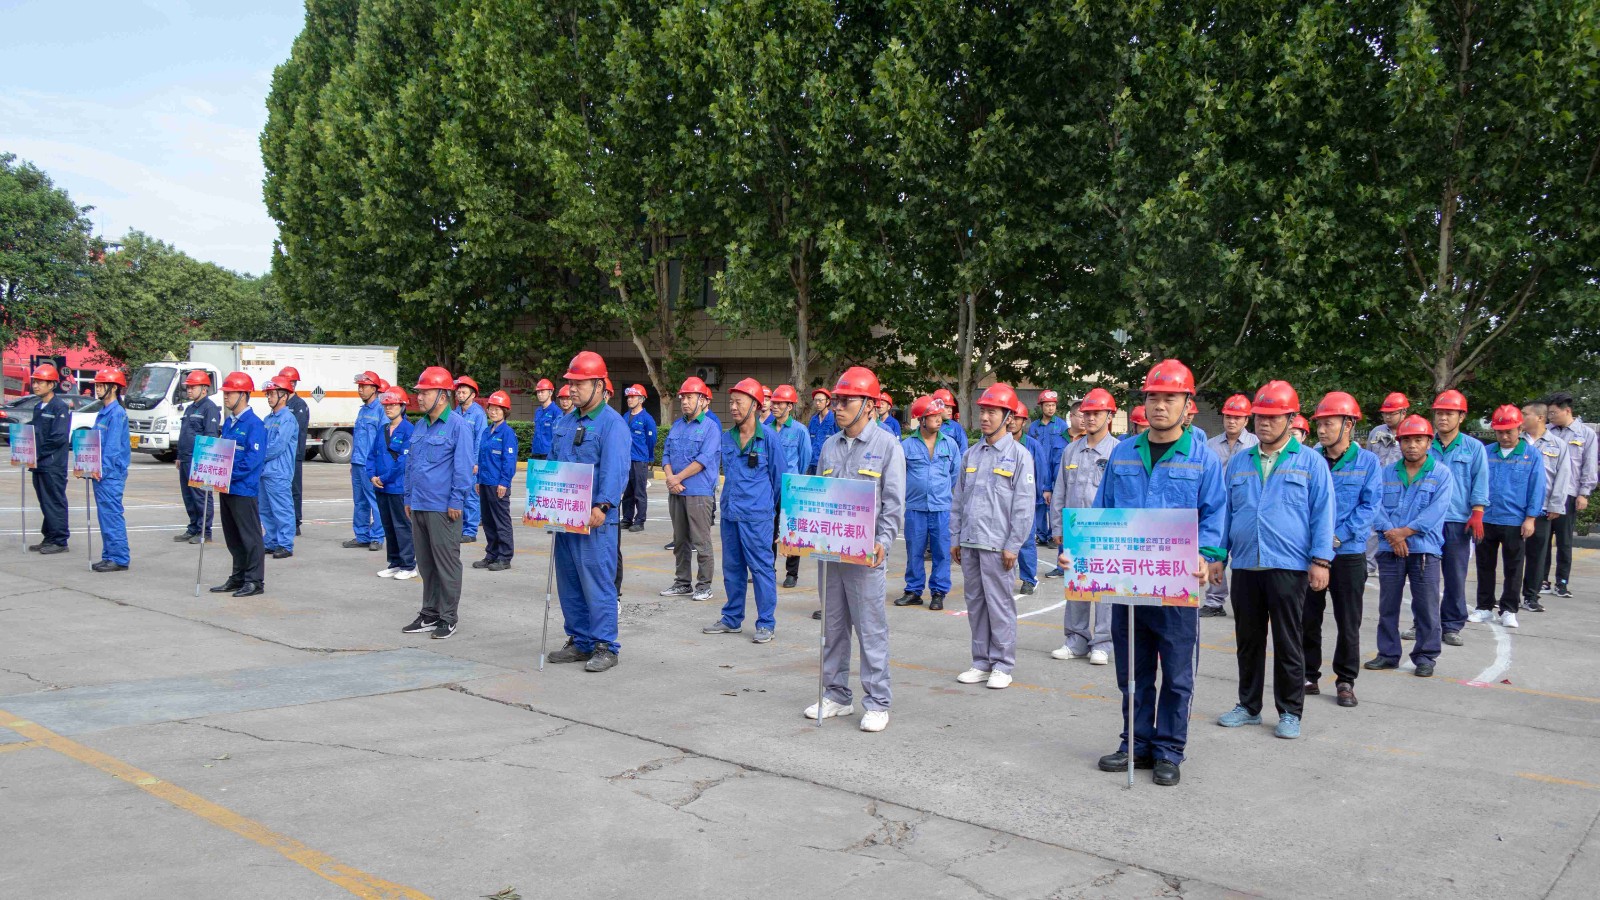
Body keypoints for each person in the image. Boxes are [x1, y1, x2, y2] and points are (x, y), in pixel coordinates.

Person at [1093, 360, 1225, 787]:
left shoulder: (1203, 459)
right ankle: (1135, 743)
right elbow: (1103, 511)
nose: (1160, 405)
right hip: (1130, 581)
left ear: (1188, 405)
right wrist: (1079, 553)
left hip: (1176, 584)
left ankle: (1169, 749)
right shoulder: (1123, 453)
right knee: (1133, 671)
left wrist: (1205, 554)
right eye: (1153, 397)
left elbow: (1215, 516)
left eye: (1170, 398)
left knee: (1177, 673)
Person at [1215, 381, 1334, 741]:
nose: (1264, 423)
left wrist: (1321, 560)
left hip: (1289, 566)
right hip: (1246, 565)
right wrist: (1218, 555)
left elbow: (1323, 514)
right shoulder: (1239, 462)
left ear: (1291, 418)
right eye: (1260, 417)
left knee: (1288, 642)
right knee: (1248, 641)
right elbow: (1225, 512)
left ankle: (1290, 711)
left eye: (1273, 417)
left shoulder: (1310, 462)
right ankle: (1248, 706)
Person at [806, 366, 906, 732]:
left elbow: (894, 503)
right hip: (831, 553)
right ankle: (836, 694)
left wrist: (884, 542)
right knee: (833, 626)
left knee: (870, 629)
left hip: (866, 556)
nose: (837, 407)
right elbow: (818, 495)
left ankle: (878, 702)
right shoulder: (830, 446)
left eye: (846, 401)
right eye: (836, 401)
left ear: (869, 405)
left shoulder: (888, 446)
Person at [543, 351, 629, 671]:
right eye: (571, 383)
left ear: (599, 385)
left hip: (596, 519)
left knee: (597, 582)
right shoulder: (565, 421)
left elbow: (616, 469)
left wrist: (603, 504)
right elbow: (553, 464)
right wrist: (545, 501)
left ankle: (605, 645)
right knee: (569, 582)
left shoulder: (612, 424)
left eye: (579, 383)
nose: (572, 389)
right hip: (566, 515)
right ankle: (580, 641)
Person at [950, 384, 1035, 690]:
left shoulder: (1020, 456)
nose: (985, 417)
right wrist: (955, 537)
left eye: (992, 412)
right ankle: (981, 662)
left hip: (998, 546)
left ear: (1008, 417)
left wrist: (1013, 545)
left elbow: (1024, 506)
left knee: (1000, 606)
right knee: (976, 604)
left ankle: (1002, 664)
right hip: (971, 541)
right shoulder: (971, 454)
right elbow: (958, 499)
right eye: (982, 411)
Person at [1303, 392, 1381, 708]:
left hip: (1348, 553)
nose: (1322, 430)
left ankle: (1345, 680)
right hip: (1311, 554)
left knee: (1349, 621)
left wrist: (1335, 538)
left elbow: (1370, 506)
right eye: (1319, 424)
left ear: (1348, 424)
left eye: (1329, 423)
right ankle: (1308, 674)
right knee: (1308, 617)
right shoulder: (1309, 458)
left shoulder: (1368, 462)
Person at [1365, 415, 1455, 677]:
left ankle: (1426, 656)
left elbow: (1436, 511)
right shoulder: (1386, 473)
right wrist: (1392, 535)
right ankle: (1387, 654)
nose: (1412, 445)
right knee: (1387, 606)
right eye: (1406, 440)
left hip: (1424, 550)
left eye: (1418, 440)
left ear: (1429, 442)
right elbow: (1375, 506)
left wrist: (1403, 533)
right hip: (1389, 549)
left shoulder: (1441, 474)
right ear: (1399, 442)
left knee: (1426, 607)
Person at [704, 378, 787, 644]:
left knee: (762, 569)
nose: (733, 407)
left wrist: (773, 514)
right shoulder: (727, 438)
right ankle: (732, 618)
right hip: (731, 514)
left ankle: (766, 623)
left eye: (739, 402)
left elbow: (779, 480)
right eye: (731, 402)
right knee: (732, 568)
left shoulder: (769, 439)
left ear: (755, 405)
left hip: (757, 518)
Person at [400, 367, 476, 640]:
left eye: (425, 392)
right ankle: (429, 613)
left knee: (446, 564)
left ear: (442, 396)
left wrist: (456, 499)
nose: (419, 397)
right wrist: (408, 497)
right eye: (419, 392)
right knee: (426, 564)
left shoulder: (458, 426)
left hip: (443, 508)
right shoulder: (420, 426)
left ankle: (448, 617)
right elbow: (411, 464)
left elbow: (464, 468)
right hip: (419, 504)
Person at [1049, 387, 1119, 663]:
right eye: (1086, 413)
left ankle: (1103, 642)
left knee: (1104, 588)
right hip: (1076, 529)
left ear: (1109, 416)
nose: (1089, 418)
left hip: (1106, 529)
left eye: (1096, 413)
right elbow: (1060, 490)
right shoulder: (1071, 451)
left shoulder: (1118, 451)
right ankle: (1076, 639)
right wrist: (1057, 527)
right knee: (1077, 586)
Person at [1467, 405, 1546, 629]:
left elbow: (1537, 487)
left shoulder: (1532, 455)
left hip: (1514, 519)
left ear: (1519, 429)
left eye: (1509, 431)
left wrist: (1530, 518)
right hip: (1486, 517)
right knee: (1484, 565)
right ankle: (1484, 607)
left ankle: (1509, 609)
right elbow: (1474, 481)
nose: (1504, 436)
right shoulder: (1486, 452)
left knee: (1513, 567)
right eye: (1499, 432)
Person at [1429, 390, 1488, 648]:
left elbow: (1480, 481)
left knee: (1455, 576)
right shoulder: (1424, 444)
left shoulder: (1474, 448)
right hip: (1427, 521)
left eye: (1449, 413)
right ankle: (1424, 622)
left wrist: (1477, 513)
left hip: (1457, 520)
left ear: (1461, 417)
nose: (1443, 418)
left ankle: (1452, 625)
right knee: (1424, 577)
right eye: (1439, 413)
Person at [660, 377, 720, 601]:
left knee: (701, 542)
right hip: (676, 491)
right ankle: (682, 582)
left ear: (703, 400)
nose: (685, 401)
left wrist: (677, 478)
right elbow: (666, 454)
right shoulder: (677, 425)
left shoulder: (711, 428)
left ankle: (704, 586)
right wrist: (670, 478)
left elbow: (703, 460)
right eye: (683, 397)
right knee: (680, 541)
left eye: (690, 397)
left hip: (698, 492)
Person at [897, 395, 959, 610]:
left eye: (939, 416)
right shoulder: (906, 446)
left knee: (941, 552)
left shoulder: (950, 444)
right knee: (914, 550)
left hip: (942, 508)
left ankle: (938, 592)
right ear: (921, 419)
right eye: (933, 416)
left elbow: (955, 474)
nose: (939, 419)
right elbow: (899, 474)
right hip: (915, 508)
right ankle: (913, 590)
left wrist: (940, 491)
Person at [1201, 394, 1260, 617]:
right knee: (1216, 553)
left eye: (1237, 417)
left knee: (1248, 554)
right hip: (1217, 506)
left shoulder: (1255, 444)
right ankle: (1214, 602)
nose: (1231, 421)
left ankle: (1250, 602)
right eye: (1228, 417)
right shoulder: (1211, 445)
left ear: (1246, 420)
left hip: (1245, 505)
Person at [209, 372, 266, 597]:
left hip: (243, 489)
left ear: (243, 394)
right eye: (225, 393)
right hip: (226, 487)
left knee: (250, 537)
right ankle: (238, 576)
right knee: (233, 536)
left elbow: (253, 461)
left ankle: (254, 581)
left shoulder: (254, 425)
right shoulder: (229, 423)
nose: (226, 397)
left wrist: (227, 474)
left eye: (230, 393)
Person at [1519, 401, 1572, 612]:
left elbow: (1563, 476)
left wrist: (1556, 505)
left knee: (1537, 554)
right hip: (1515, 507)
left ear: (1540, 418)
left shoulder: (1558, 445)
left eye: (1525, 414)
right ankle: (1509, 596)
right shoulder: (1516, 440)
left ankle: (1531, 596)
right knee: (1513, 554)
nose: (1520, 417)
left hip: (1541, 507)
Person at [1544, 392, 1597, 598]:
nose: (1550, 417)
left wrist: (1584, 493)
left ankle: (1562, 582)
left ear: (1567, 411)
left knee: (1564, 541)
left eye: (1553, 413)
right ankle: (1542, 580)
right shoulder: (1546, 431)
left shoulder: (1585, 434)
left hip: (1569, 493)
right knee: (1543, 540)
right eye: (1548, 413)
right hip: (1546, 494)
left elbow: (1589, 465)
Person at [370, 387, 417, 580]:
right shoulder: (382, 430)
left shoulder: (408, 430)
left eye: (393, 404)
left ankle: (408, 565)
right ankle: (395, 563)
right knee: (388, 526)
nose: (388, 408)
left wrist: (384, 478)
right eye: (386, 405)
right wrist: (372, 476)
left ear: (402, 406)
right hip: (381, 487)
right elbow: (372, 455)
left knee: (402, 526)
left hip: (397, 487)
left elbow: (403, 461)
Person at [87, 369, 131, 572]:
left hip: (110, 474)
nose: (97, 389)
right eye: (97, 385)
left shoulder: (117, 413)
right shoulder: (103, 412)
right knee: (105, 516)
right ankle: (109, 555)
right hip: (101, 473)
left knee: (112, 515)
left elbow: (112, 447)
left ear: (113, 388)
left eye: (101, 385)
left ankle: (119, 558)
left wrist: (101, 469)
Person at [25, 364, 71, 554]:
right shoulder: (39, 406)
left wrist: (38, 453)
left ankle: (60, 540)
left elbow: (58, 437)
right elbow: (34, 431)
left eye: (40, 382)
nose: (36, 385)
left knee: (54, 501)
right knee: (45, 502)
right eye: (34, 382)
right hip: (38, 464)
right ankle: (49, 537)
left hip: (52, 464)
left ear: (52, 384)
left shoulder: (59, 407)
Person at [769, 384, 812, 588]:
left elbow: (805, 460)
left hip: (791, 488)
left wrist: (794, 481)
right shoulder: (766, 429)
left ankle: (792, 573)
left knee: (792, 530)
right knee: (769, 529)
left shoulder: (799, 430)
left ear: (790, 406)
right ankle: (768, 569)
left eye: (780, 403)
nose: (775, 406)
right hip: (770, 488)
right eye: (774, 403)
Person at [472, 390, 518, 571]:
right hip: (485, 482)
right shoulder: (486, 431)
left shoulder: (507, 433)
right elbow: (481, 458)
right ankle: (491, 554)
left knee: (501, 521)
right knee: (488, 520)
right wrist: (478, 479)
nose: (493, 412)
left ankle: (504, 557)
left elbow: (509, 461)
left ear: (505, 411)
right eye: (491, 408)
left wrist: (504, 482)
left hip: (498, 484)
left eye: (498, 409)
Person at [174, 370, 221, 544]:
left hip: (199, 459)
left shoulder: (209, 408)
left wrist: (204, 460)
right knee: (189, 497)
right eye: (188, 387)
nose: (189, 390)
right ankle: (193, 528)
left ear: (204, 389)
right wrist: (179, 456)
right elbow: (184, 433)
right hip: (186, 458)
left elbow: (210, 436)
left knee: (201, 497)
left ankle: (204, 532)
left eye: (192, 387)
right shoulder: (190, 408)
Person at [1366, 392, 1409, 575]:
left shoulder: (1410, 432)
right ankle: (1369, 564)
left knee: (1395, 524)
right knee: (1372, 526)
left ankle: (1394, 561)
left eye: (1392, 413)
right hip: (1377, 484)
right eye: (1385, 413)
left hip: (1399, 487)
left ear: (1403, 412)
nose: (1388, 416)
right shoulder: (1377, 432)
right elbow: (1369, 457)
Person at [259, 376, 300, 560]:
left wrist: (258, 456)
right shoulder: (268, 419)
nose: (269, 397)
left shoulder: (287, 419)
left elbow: (278, 446)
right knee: (266, 509)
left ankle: (285, 544)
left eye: (272, 394)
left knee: (282, 508)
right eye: (267, 394)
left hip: (279, 472)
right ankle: (271, 540)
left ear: (283, 396)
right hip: (265, 472)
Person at [346, 370, 386, 552]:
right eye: (359, 386)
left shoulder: (381, 410)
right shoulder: (362, 411)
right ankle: (362, 536)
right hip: (357, 463)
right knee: (359, 501)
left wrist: (377, 466)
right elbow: (358, 438)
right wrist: (353, 462)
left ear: (374, 389)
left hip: (370, 465)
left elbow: (383, 441)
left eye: (364, 386)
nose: (360, 389)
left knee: (375, 501)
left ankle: (377, 537)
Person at [1010, 405, 1045, 595]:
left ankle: (1028, 579)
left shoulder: (1032, 445)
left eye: (1017, 418)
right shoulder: (998, 443)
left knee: (1026, 540)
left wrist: (1037, 499)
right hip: (1002, 501)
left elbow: (1040, 472)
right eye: (1010, 417)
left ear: (1024, 422)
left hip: (1025, 501)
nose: (1013, 422)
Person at [453, 376, 489, 544]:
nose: (460, 395)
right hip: (457, 462)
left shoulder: (478, 414)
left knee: (471, 497)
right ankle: (460, 528)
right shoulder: (455, 412)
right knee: (458, 494)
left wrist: (475, 462)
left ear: (473, 395)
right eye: (458, 392)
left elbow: (480, 440)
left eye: (464, 392)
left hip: (470, 463)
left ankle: (470, 531)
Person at [276, 366, 311, 536]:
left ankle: (295, 521)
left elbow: (295, 432)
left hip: (293, 454)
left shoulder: (299, 405)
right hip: (281, 455)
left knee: (294, 489)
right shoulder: (280, 405)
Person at [1033, 390, 1069, 547]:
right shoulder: (1034, 426)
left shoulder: (1062, 425)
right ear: (1041, 406)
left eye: (1053, 405)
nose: (1050, 408)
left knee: (1053, 502)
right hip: (1039, 469)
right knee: (1039, 502)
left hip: (1055, 468)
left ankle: (1052, 535)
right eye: (1047, 405)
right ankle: (1041, 535)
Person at [621, 384, 657, 531]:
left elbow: (651, 440)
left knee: (639, 492)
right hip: (626, 460)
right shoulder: (625, 416)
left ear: (641, 399)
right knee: (627, 491)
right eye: (628, 397)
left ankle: (640, 521)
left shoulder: (647, 419)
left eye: (633, 397)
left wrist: (647, 456)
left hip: (640, 460)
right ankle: (627, 519)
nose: (629, 399)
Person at [806, 387, 837, 474]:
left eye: (820, 400)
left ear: (827, 402)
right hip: (812, 463)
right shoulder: (813, 420)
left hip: (828, 464)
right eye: (815, 400)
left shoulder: (834, 419)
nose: (817, 403)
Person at [934, 388, 970, 457]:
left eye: (951, 407)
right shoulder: (927, 426)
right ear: (937, 406)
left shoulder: (956, 427)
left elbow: (963, 450)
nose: (950, 410)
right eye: (947, 407)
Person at [531, 378, 558, 460]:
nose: (539, 394)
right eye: (538, 392)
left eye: (542, 392)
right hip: (536, 452)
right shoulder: (538, 411)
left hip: (549, 453)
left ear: (550, 392)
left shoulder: (556, 412)